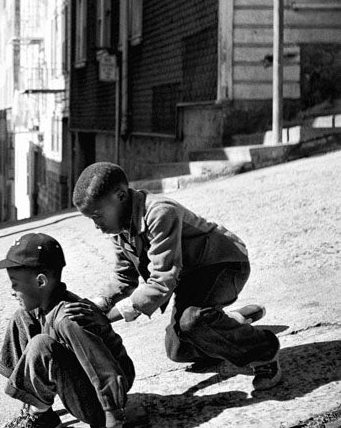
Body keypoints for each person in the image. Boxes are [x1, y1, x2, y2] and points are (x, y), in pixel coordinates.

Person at [71, 162, 281, 391]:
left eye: (97, 216)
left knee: (192, 321)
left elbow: (163, 281)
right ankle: (231, 324)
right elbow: (124, 278)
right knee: (178, 351)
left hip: (224, 265)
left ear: (120, 196)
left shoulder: (160, 212)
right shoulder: (121, 227)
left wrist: (110, 317)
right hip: (191, 277)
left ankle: (264, 352)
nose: (96, 225)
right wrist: (97, 305)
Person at [0, 232, 135, 428]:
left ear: (40, 281)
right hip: (84, 385)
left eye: (15, 284)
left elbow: (108, 373)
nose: (12, 290)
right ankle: (37, 410)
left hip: (99, 403)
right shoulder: (42, 305)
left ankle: (41, 418)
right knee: (21, 317)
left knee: (41, 345)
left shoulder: (69, 318)